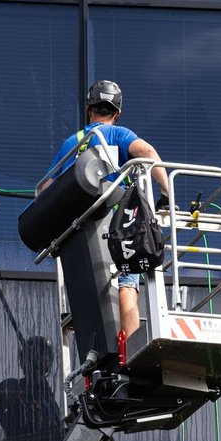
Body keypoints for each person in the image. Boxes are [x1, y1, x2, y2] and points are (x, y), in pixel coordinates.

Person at [45, 80, 168, 339]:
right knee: (127, 279)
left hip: (82, 229)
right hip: (117, 222)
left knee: (91, 284)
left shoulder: (73, 143)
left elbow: (47, 186)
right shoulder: (118, 135)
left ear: (89, 110)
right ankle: (129, 345)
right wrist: (166, 193)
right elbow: (146, 152)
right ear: (117, 112)